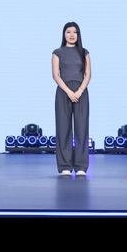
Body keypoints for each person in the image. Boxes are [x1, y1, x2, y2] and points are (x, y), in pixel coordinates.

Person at [52, 22, 91, 176]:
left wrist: (79, 90)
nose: (72, 35)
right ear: (64, 34)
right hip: (63, 91)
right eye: (68, 32)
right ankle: (65, 166)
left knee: (82, 129)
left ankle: (81, 166)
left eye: (75, 32)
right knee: (63, 129)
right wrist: (69, 91)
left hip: (81, 92)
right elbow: (56, 75)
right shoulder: (57, 52)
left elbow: (88, 74)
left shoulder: (84, 52)